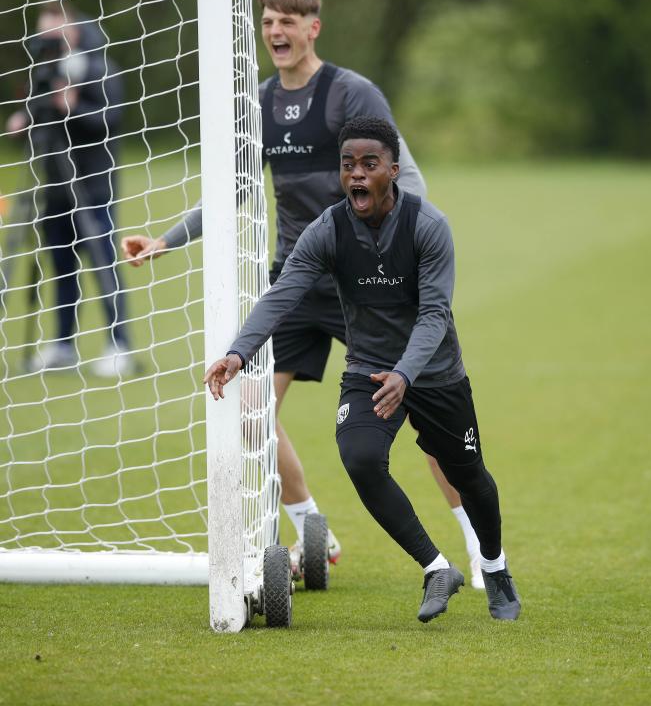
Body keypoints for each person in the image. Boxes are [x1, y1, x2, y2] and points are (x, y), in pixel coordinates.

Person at [122, 0, 485, 587]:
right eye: (267, 21)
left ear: (313, 28)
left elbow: (407, 176)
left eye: (287, 21)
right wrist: (167, 238)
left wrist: (408, 251)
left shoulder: (349, 92)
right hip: (298, 277)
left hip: (368, 286)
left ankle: (477, 547)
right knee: (250, 406)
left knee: (426, 415)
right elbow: (234, 187)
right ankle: (316, 529)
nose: (275, 31)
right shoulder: (259, 101)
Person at [205, 116, 521, 622]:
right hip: (370, 370)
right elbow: (283, 292)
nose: (356, 174)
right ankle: (436, 567)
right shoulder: (328, 229)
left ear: (393, 171)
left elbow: (436, 314)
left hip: (434, 373)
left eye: (369, 165)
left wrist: (407, 375)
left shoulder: (429, 227)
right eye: (347, 164)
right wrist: (239, 352)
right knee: (360, 457)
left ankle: (495, 564)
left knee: (472, 477)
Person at [5, 3, 132, 377]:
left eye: (53, 36)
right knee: (61, 268)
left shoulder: (99, 68)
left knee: (103, 262)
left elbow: (111, 119)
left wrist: (73, 106)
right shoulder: (44, 71)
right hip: (55, 187)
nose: (47, 44)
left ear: (73, 32)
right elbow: (40, 112)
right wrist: (25, 118)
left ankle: (118, 344)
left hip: (93, 186)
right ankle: (63, 345)